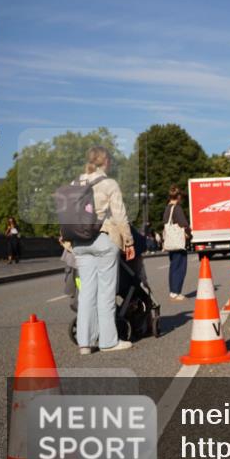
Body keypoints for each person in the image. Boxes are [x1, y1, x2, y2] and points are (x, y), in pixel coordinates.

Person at [72, 146, 136, 354]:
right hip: (103, 239)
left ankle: (85, 342)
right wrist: (129, 241)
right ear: (105, 161)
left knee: (86, 294)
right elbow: (119, 216)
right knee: (106, 293)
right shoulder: (109, 183)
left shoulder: (75, 183)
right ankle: (108, 341)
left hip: (80, 243)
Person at [163, 186, 191, 300]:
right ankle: (176, 291)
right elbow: (183, 223)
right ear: (178, 197)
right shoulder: (177, 208)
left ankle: (173, 291)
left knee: (173, 266)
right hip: (178, 242)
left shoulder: (167, 208)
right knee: (180, 267)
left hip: (171, 241)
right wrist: (189, 233)